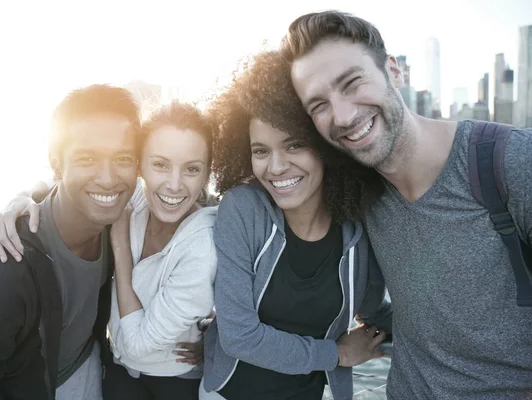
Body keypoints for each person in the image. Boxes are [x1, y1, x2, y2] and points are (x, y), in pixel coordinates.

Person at [281, 10, 532, 399]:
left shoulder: (511, 162)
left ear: (393, 72)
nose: (343, 116)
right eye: (319, 105)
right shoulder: (358, 194)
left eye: (352, 82)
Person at [0, 101, 218, 400]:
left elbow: (137, 344)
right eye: (160, 164)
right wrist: (21, 198)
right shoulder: (134, 196)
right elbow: (67, 178)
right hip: (116, 367)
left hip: (174, 381)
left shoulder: (204, 246)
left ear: (206, 173)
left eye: (191, 169)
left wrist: (120, 250)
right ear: (139, 165)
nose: (174, 185)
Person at [200, 50, 392, 400]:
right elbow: (240, 336)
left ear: (326, 146)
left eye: (294, 145)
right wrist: (336, 355)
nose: (275, 167)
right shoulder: (243, 209)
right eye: (260, 151)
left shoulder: (356, 230)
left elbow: (372, 310)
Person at [0, 84, 141, 400]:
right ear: (57, 163)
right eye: (87, 159)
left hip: (86, 368)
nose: (109, 178)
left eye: (123, 158)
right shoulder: (0, 273)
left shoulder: (119, 223)